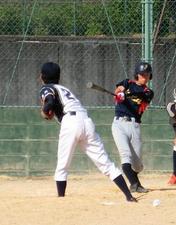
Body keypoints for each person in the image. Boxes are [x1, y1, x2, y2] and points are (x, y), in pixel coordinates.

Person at [39, 62, 137, 202]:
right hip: (86, 120)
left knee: (62, 165)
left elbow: (49, 100)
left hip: (71, 122)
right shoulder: (63, 89)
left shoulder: (46, 87)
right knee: (106, 163)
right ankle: (129, 196)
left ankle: (61, 199)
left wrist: (45, 110)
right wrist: (50, 109)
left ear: (42, 76)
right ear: (58, 77)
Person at [112, 62, 154, 193]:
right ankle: (135, 184)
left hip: (134, 125)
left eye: (147, 75)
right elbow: (118, 90)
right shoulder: (127, 82)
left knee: (137, 166)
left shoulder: (148, 92)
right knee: (125, 156)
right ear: (137, 75)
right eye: (142, 74)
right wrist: (119, 93)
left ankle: (135, 179)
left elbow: (141, 98)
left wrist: (127, 97)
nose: (144, 77)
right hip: (118, 124)